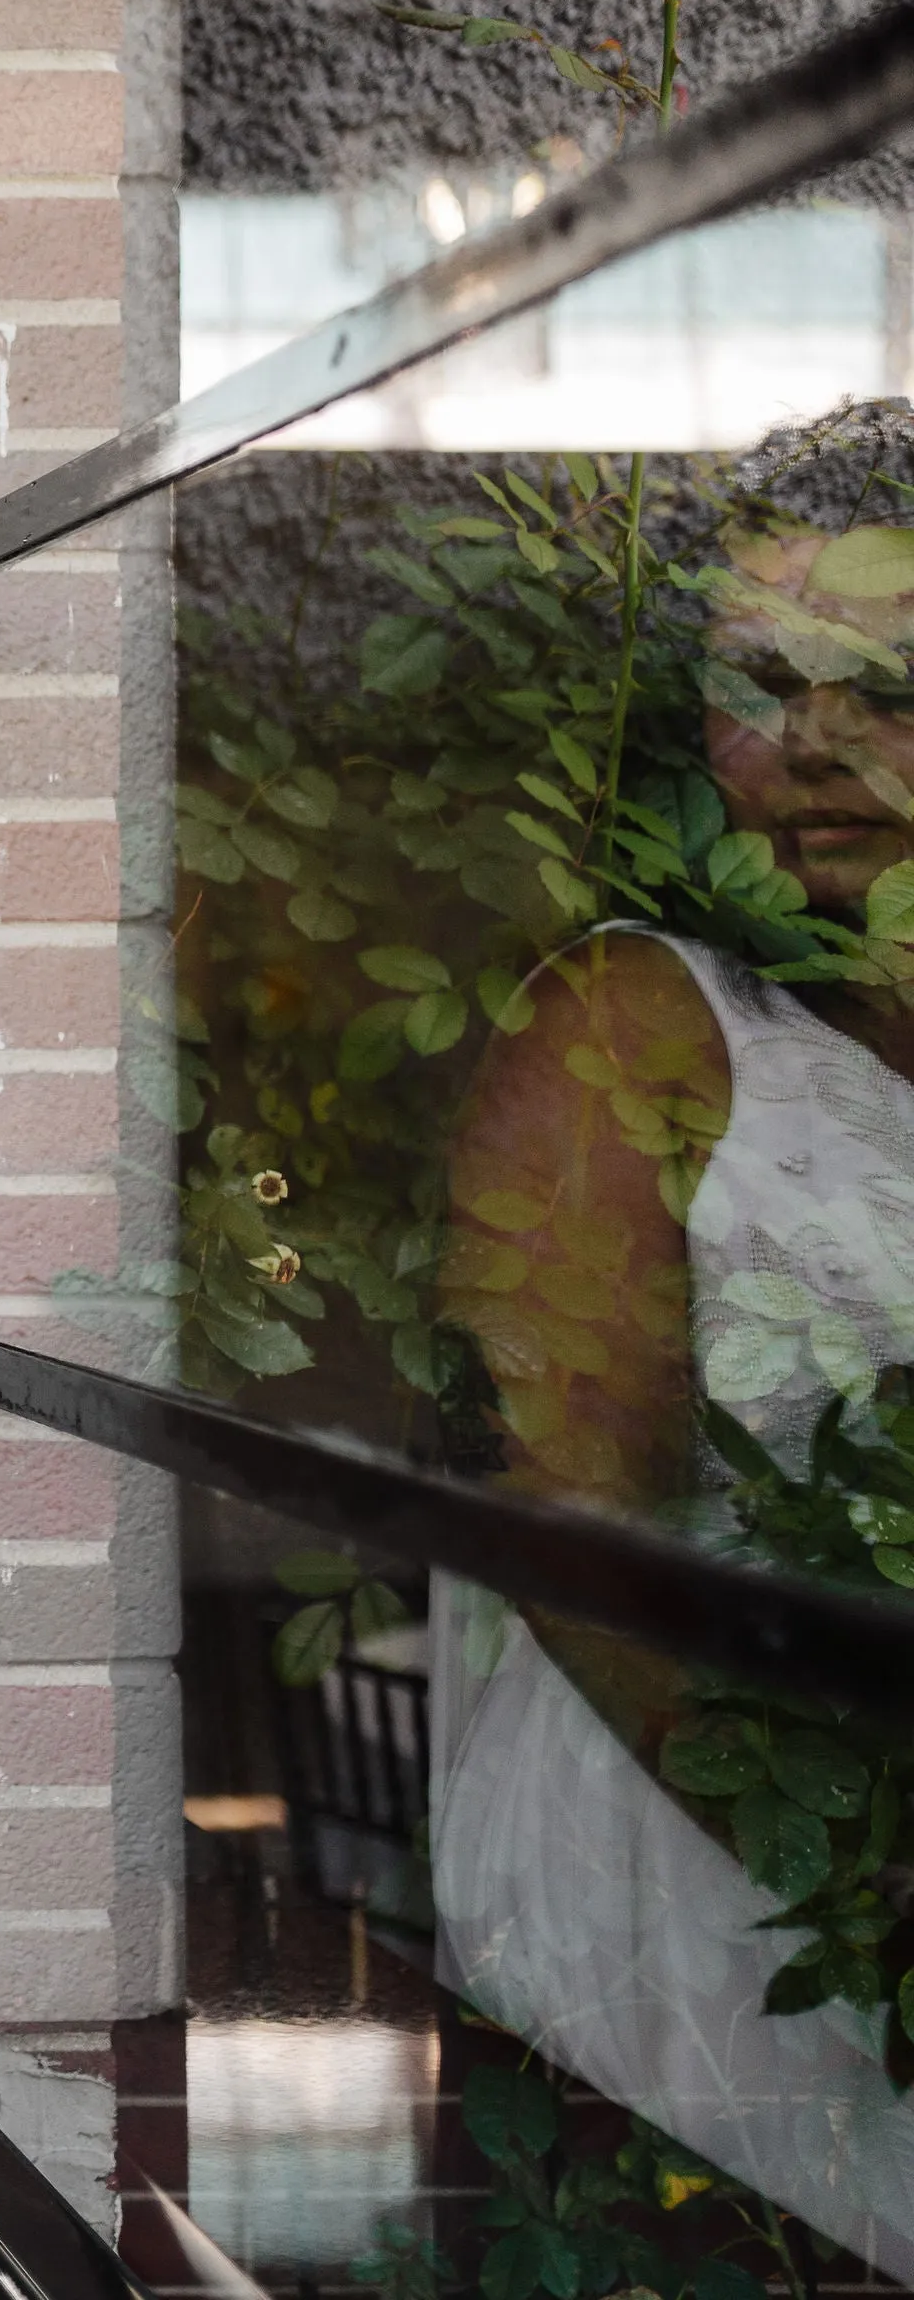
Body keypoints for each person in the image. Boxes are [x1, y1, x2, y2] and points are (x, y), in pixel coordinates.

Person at [434, 486, 914, 2277]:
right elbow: (572, 1514)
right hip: (702, 1854)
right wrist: (857, 1878)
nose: (817, 743)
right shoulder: (640, 1022)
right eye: (767, 677)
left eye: (892, 684)